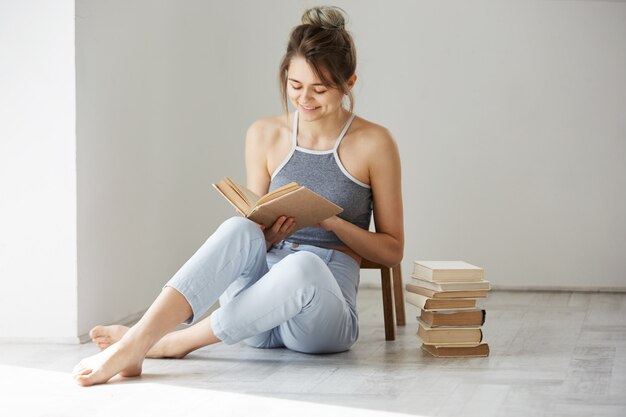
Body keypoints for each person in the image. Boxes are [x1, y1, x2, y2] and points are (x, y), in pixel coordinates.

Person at [73, 5, 404, 387]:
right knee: (237, 229)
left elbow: (392, 250)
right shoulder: (264, 134)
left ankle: (168, 344)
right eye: (295, 86)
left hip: (319, 319)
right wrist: (268, 234)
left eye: (320, 89)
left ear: (349, 82)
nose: (305, 99)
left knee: (304, 265)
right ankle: (141, 338)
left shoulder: (375, 143)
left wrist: (330, 220)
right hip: (256, 315)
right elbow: (254, 225)